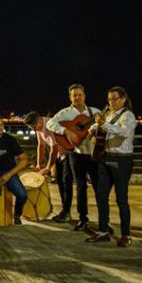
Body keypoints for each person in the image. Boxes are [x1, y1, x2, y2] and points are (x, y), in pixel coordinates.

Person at [46, 84, 103, 233]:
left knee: (99, 187)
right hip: (75, 154)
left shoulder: (96, 112)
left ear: (85, 95)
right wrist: (66, 131)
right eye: (74, 95)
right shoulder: (65, 113)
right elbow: (50, 124)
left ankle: (104, 220)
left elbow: (105, 127)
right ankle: (83, 219)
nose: (77, 97)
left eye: (79, 94)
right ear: (70, 97)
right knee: (80, 187)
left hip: (93, 155)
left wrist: (98, 127)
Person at [86, 87, 138, 246]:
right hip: (105, 158)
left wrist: (104, 125)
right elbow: (97, 129)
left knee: (121, 199)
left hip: (121, 160)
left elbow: (124, 133)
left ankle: (126, 235)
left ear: (123, 99)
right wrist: (94, 127)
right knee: (101, 196)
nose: (111, 102)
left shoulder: (128, 115)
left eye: (114, 99)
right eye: (109, 99)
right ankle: (103, 231)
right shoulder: (108, 115)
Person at [24, 110, 71, 221]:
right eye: (32, 128)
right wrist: (39, 164)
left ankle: (67, 212)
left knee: (66, 182)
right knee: (60, 182)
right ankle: (65, 211)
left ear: (39, 120)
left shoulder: (50, 124)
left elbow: (53, 148)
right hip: (59, 155)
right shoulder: (38, 128)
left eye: (35, 127)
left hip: (68, 153)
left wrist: (48, 168)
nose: (35, 129)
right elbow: (41, 145)